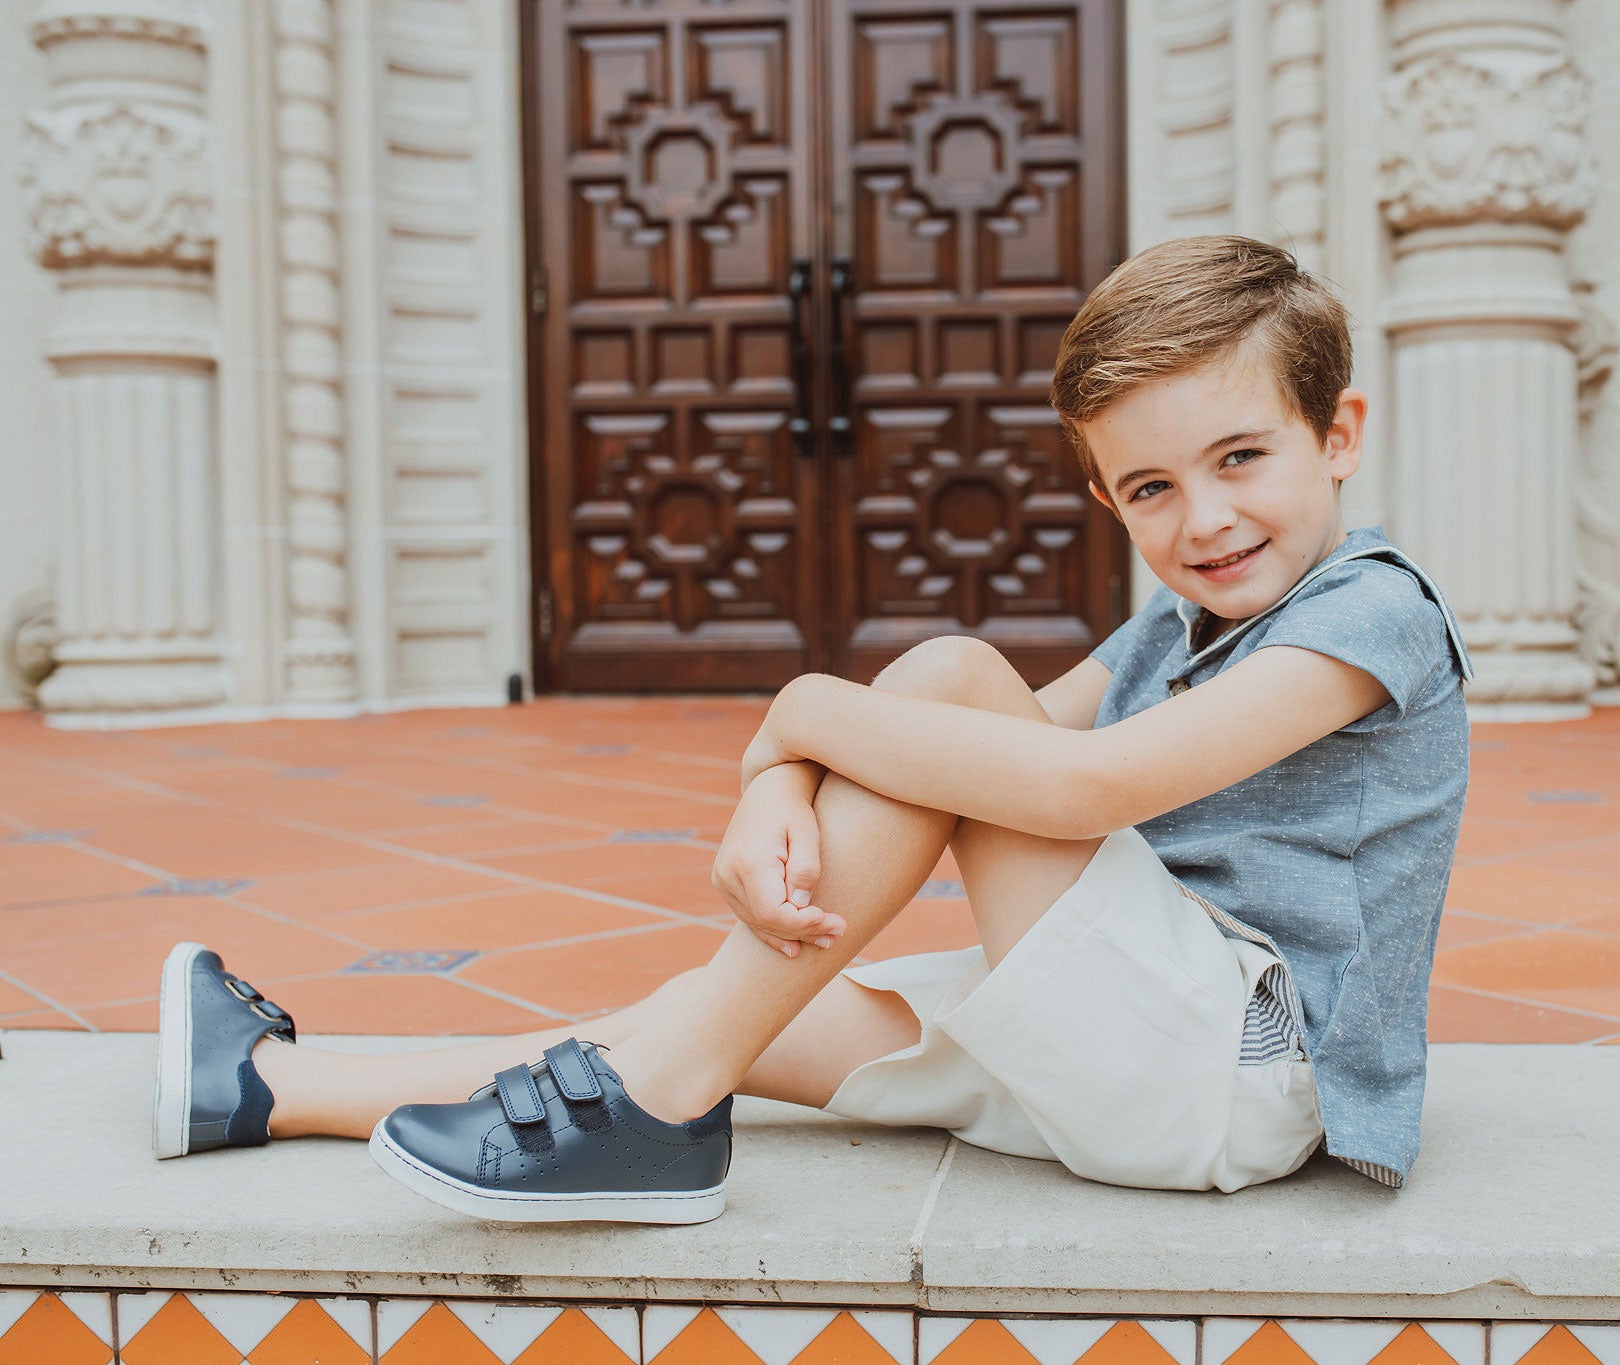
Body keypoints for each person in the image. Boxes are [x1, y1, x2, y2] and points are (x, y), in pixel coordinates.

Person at [151, 234, 1474, 1223]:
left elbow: (1076, 787)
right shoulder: (1173, 627)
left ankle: (660, 1119)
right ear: (1107, 499)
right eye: (1151, 488)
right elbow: (976, 763)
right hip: (1144, 1035)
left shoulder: (1375, 612)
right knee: (707, 1016)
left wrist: (795, 709)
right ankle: (266, 1087)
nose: (1204, 518)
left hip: (1244, 1066)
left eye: (1240, 457)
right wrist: (778, 776)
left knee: (950, 675)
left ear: (1337, 433)